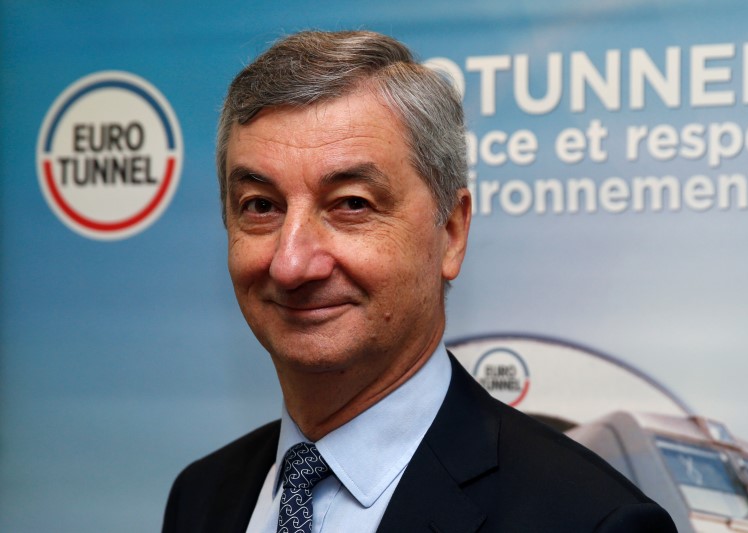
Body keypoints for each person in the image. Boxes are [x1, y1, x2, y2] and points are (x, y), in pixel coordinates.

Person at [162, 30, 677, 533]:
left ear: (450, 233)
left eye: (351, 205)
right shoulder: (203, 497)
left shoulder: (590, 519)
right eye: (261, 206)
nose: (291, 263)